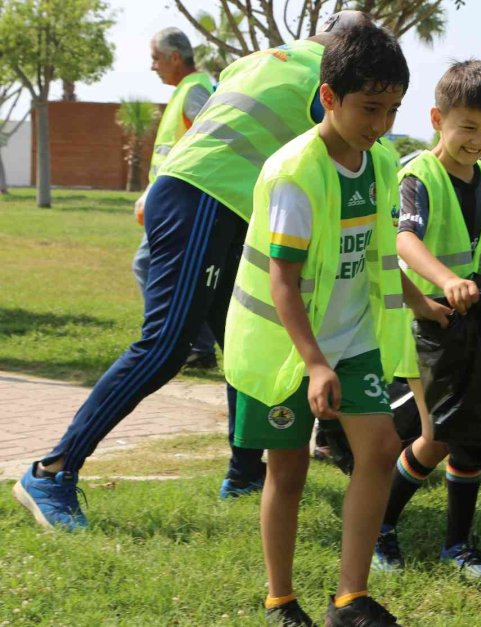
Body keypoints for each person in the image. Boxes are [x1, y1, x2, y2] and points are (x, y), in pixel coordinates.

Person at [11, 11, 372, 531]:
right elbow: (345, 146)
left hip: (203, 199)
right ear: (348, 50)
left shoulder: (257, 60)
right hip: (208, 198)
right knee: (165, 344)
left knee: (244, 339)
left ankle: (244, 474)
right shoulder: (326, 78)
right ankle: (53, 471)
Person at [224, 23, 450, 626]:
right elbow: (282, 281)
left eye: (392, 109)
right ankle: (280, 597)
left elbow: (380, 248)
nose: (381, 124)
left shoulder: (378, 165)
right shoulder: (295, 173)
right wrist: (314, 362)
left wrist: (418, 302)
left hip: (351, 340)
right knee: (289, 469)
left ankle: (350, 598)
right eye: (370, 108)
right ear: (330, 97)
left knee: (379, 450)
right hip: (284, 349)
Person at [371, 60, 481, 580]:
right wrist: (446, 281)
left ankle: (457, 546)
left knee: (467, 436)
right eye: (468, 128)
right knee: (437, 438)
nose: (479, 140)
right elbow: (403, 240)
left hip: (470, 327)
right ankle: (380, 527)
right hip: (424, 326)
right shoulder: (417, 175)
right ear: (437, 119)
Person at [132, 27, 217, 369]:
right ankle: (196, 347)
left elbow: (209, 138)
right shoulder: (187, 89)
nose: (153, 66)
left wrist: (157, 192)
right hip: (172, 201)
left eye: (156, 58)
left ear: (174, 57)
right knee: (201, 275)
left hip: (182, 201)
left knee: (148, 265)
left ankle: (168, 343)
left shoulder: (195, 90)